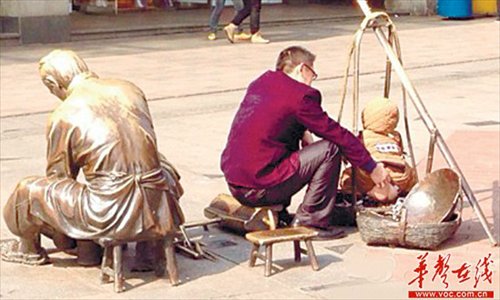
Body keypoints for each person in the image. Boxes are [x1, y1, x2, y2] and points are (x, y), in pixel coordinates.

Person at [1, 49, 185, 265]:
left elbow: (59, 177)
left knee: (27, 191)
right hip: (158, 199)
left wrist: (65, 239)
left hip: (106, 211)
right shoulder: (129, 89)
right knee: (157, 160)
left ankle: (28, 249)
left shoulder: (64, 113)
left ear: (53, 84)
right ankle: (146, 249)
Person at [220, 46, 391, 239]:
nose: (311, 81)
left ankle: (281, 212)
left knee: (289, 148)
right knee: (331, 149)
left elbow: (276, 120)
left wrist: (303, 132)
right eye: (312, 73)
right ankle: (311, 221)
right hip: (259, 186)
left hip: (235, 182)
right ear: (303, 69)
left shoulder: (262, 82)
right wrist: (371, 167)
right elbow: (337, 134)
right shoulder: (302, 95)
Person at [340, 97, 417, 202]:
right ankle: (397, 189)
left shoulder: (363, 135)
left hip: (371, 177)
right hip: (398, 174)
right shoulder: (395, 136)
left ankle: (369, 192)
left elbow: (350, 153)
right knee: (410, 173)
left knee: (348, 176)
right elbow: (400, 152)